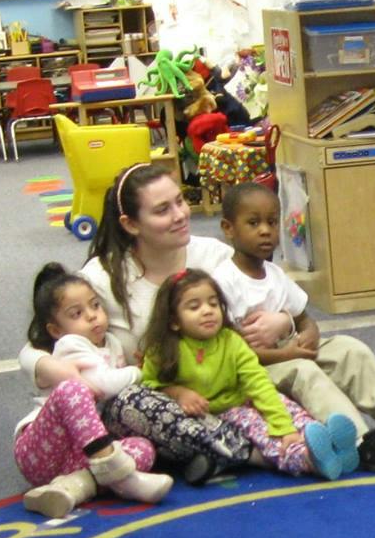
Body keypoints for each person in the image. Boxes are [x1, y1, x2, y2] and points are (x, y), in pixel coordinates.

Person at [216, 182, 375, 474]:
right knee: (304, 370)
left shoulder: (274, 273)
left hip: (289, 349)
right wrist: (291, 354)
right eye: (253, 223)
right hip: (254, 368)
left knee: (350, 349)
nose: (265, 231)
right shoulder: (223, 280)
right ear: (228, 228)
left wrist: (310, 334)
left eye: (272, 222)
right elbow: (233, 353)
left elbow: (304, 318)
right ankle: (360, 441)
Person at [59, 162, 257, 478]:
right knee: (130, 403)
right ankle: (253, 451)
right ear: (131, 224)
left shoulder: (216, 257)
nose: (180, 214)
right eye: (163, 210)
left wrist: (283, 322)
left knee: (292, 373)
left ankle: (214, 451)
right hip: (153, 400)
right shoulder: (100, 279)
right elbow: (48, 346)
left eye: (180, 201)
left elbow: (262, 313)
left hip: (222, 388)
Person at [139, 268, 360, 480]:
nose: (207, 310)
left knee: (290, 410)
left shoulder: (231, 341)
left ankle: (333, 447)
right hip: (222, 414)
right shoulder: (162, 350)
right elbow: (148, 387)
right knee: (264, 432)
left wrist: (285, 424)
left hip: (244, 398)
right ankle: (306, 459)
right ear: (174, 321)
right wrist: (178, 392)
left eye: (213, 304)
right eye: (194, 307)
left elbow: (258, 381)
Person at [16, 264, 173, 517]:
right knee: (73, 389)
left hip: (81, 455)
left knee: (143, 448)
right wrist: (140, 372)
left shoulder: (111, 343)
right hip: (42, 451)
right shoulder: (70, 344)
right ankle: (119, 475)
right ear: (56, 330)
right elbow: (103, 384)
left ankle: (73, 487)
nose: (91, 316)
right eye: (77, 314)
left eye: (95, 306)